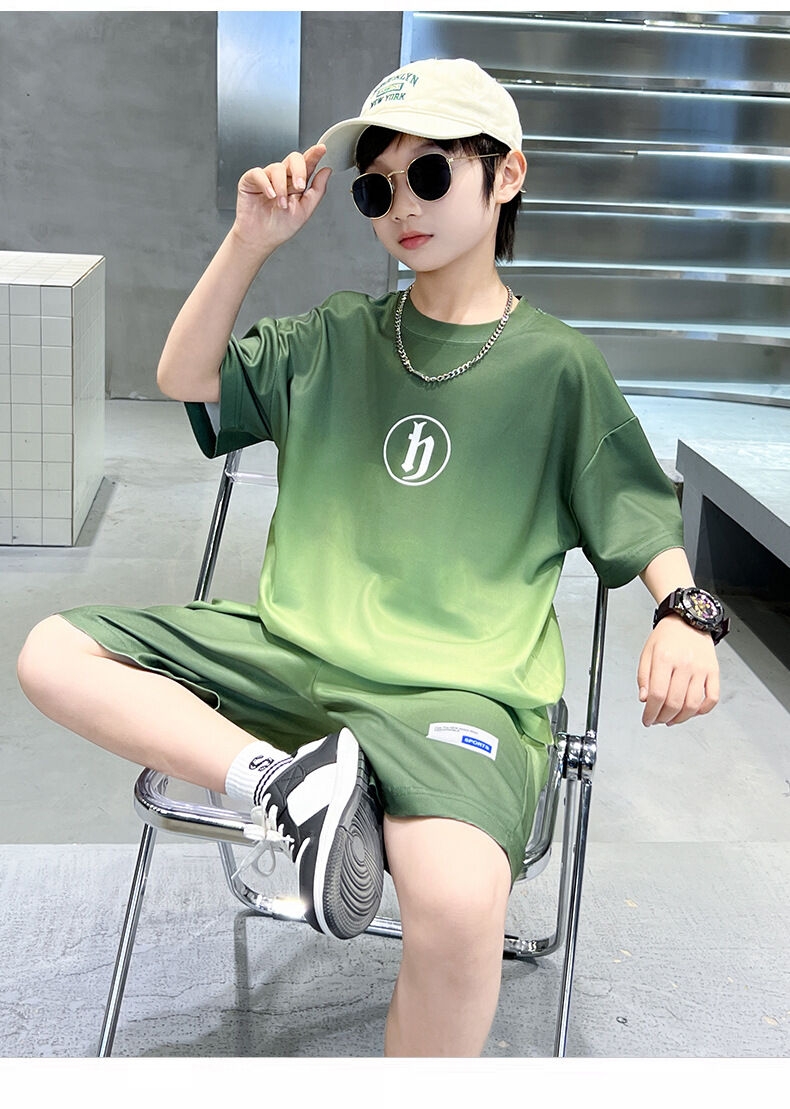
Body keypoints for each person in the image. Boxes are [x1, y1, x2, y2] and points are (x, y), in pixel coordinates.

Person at [17, 58, 728, 1057]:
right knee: (52, 650)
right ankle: (285, 785)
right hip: (288, 658)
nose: (402, 207)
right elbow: (184, 373)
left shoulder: (560, 367)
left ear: (507, 174)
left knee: (458, 905)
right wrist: (250, 240)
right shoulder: (336, 336)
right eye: (375, 189)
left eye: (430, 174)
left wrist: (685, 612)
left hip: (456, 691)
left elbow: (637, 513)